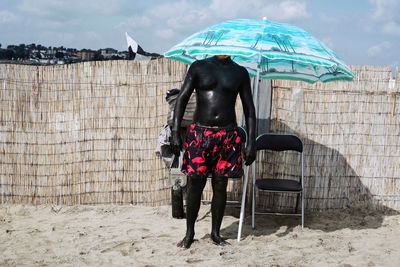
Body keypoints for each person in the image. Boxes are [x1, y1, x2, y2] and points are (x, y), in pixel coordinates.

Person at [172, 55, 256, 249]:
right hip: (200, 133)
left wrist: (251, 142)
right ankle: (189, 232)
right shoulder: (199, 67)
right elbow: (182, 98)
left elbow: (249, 109)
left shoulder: (240, 72)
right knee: (195, 185)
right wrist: (175, 131)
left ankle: (216, 233)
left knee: (220, 185)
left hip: (227, 135)